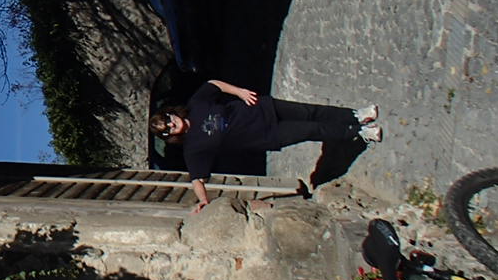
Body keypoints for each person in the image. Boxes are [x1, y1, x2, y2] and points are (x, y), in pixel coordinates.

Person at [149, 79, 381, 213]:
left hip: (263, 108)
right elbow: (196, 179)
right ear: (170, 135)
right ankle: (360, 133)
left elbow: (213, 85)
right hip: (268, 135)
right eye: (167, 129)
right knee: (311, 130)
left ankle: (356, 116)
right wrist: (202, 201)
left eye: (168, 119)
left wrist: (239, 92)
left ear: (171, 113)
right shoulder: (193, 148)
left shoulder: (196, 104)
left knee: (311, 112)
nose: (172, 124)